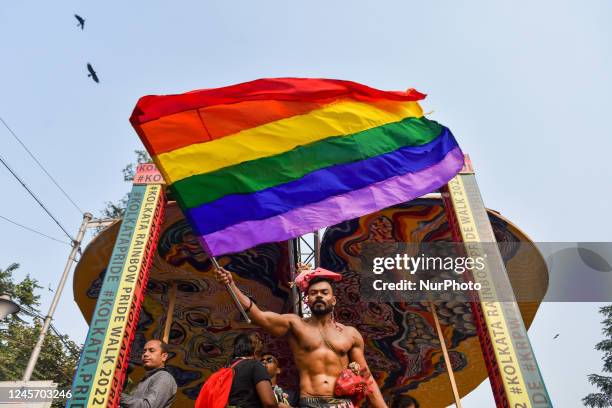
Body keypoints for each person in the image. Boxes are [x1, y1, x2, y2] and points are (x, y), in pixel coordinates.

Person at [215, 264, 387, 408]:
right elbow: (258, 316)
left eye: (324, 292)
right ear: (307, 300)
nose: (319, 295)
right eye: (313, 293)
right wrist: (231, 285)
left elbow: (366, 376)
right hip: (310, 402)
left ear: (333, 300)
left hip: (342, 403)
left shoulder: (350, 334)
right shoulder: (295, 325)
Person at [226, 332, 282, 408]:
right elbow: (269, 403)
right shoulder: (255, 365)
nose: (263, 361)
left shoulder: (228, 367)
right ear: (256, 350)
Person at [120, 339, 177, 408]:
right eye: (144, 351)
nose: (145, 354)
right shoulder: (146, 379)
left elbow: (148, 406)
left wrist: (117, 395)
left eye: (151, 351)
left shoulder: (164, 377)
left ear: (164, 356)